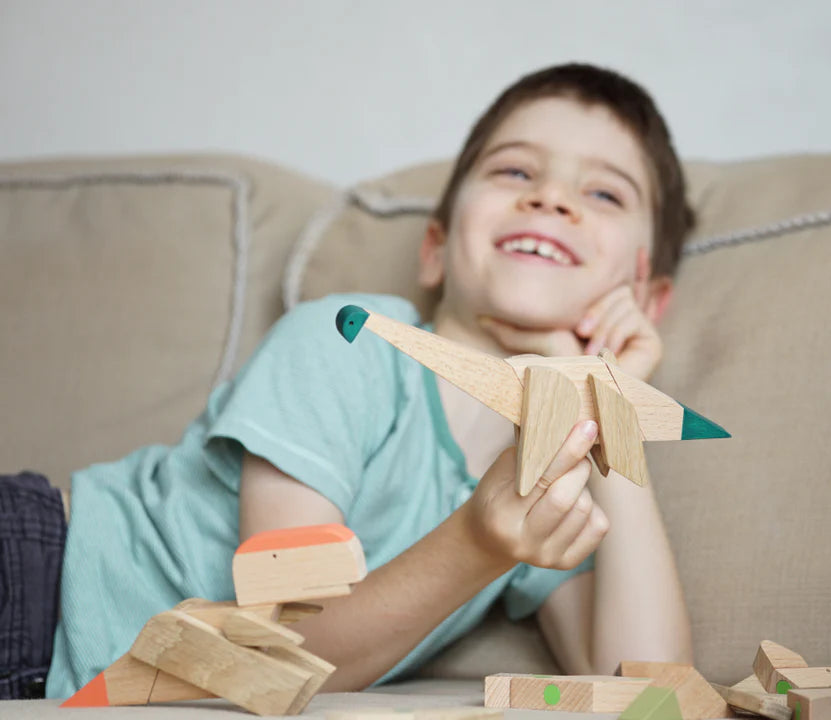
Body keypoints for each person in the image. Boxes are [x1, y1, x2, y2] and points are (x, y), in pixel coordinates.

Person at [39, 62, 698, 699]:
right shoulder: (348, 340)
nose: (550, 197)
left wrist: (613, 401)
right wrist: (476, 543)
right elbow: (273, 649)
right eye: (515, 170)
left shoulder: (553, 472)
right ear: (435, 249)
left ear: (648, 295)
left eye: (604, 193)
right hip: (43, 571)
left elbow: (647, 687)